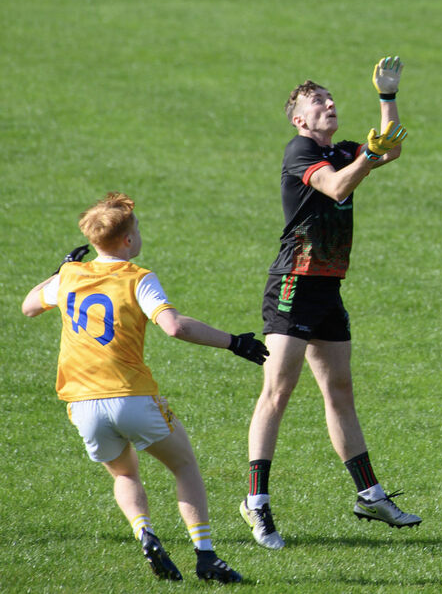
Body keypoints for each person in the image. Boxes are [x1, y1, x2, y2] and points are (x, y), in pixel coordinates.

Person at [22, 192, 266, 584]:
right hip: (131, 396)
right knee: (184, 466)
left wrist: (61, 270)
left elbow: (29, 306)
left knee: (124, 475)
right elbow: (175, 327)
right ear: (127, 241)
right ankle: (206, 556)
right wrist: (235, 342)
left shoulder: (68, 277)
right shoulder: (138, 277)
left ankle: (145, 534)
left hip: (82, 403)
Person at [241, 57, 419, 551]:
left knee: (339, 389)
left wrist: (387, 98)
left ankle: (369, 494)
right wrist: (367, 157)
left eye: (331, 99)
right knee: (277, 393)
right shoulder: (300, 151)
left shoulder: (340, 148)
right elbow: (339, 184)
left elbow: (391, 151)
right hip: (293, 284)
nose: (330, 105)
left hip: (325, 287)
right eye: (318, 102)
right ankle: (256, 503)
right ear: (299, 118)